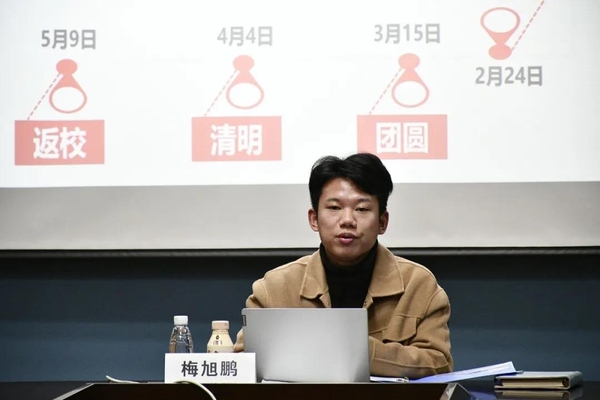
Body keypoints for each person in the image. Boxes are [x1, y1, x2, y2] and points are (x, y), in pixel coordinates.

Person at [233, 152, 453, 378]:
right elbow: (241, 364)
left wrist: (361, 351)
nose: (347, 220)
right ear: (314, 219)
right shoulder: (274, 288)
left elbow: (438, 362)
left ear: (382, 222)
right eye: (334, 207)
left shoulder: (418, 285)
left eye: (362, 209)